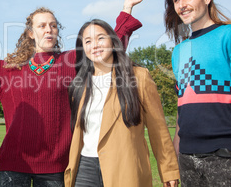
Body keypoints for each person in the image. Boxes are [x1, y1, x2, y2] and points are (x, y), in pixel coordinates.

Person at [0, 0, 145, 186]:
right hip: (14, 164)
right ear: (31, 33)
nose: (48, 29)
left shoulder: (70, 62)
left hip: (56, 167)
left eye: (53, 25)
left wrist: (127, 9)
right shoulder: (10, 69)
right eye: (42, 26)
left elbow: (108, 47)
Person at [64, 19, 180, 186]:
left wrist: (168, 170)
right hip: (85, 169)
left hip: (124, 167)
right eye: (88, 41)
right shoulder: (79, 85)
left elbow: (158, 129)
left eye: (100, 38)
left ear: (113, 41)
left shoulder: (138, 77)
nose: (95, 45)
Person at [164, 0, 231, 187]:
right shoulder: (178, 51)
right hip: (187, 158)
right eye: (176, 0)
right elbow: (183, 106)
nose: (181, 5)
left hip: (229, 156)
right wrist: (176, 155)